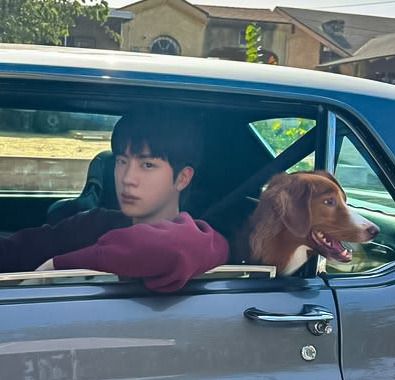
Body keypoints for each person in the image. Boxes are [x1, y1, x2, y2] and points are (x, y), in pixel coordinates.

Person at [0, 111, 229, 292]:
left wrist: (56, 266)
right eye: (121, 161)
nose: (127, 178)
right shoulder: (94, 223)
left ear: (182, 178)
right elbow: (19, 250)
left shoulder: (201, 242)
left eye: (147, 165)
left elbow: (168, 248)